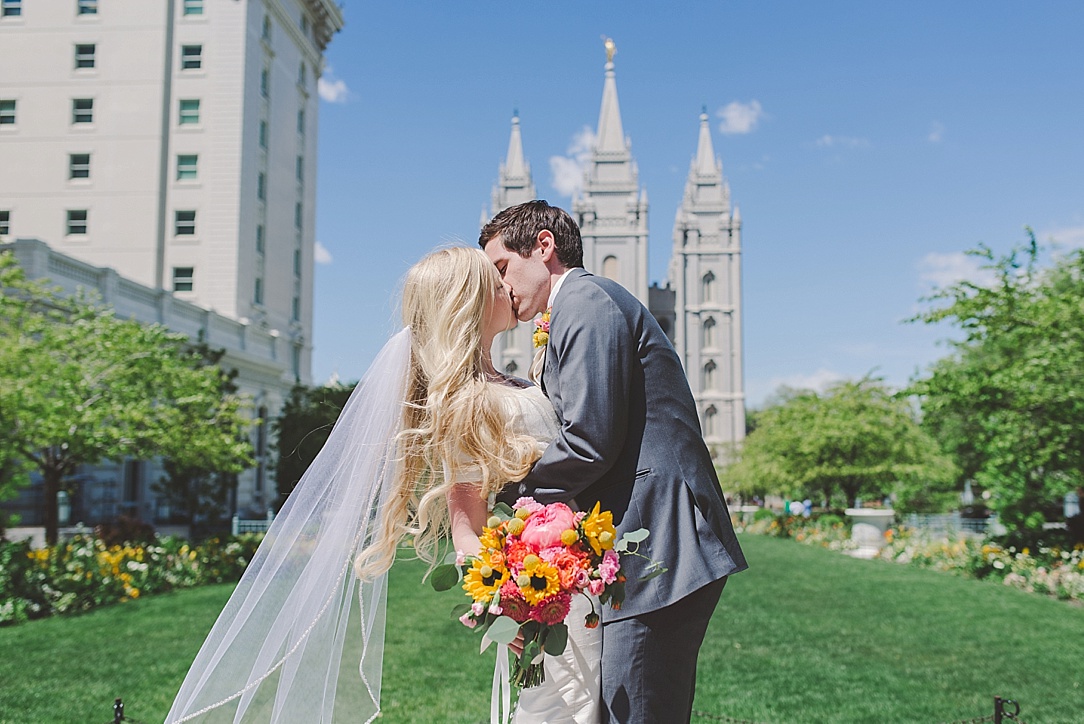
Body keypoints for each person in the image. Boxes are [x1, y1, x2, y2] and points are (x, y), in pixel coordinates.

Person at [165, 247, 599, 724]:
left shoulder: (517, 383)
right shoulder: (467, 403)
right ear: (469, 303)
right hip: (547, 589)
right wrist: (501, 600)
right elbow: (466, 523)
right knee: (566, 707)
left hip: (579, 568)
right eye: (496, 282)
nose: (508, 286)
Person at [480, 200, 748, 724]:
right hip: (644, 537)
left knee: (636, 706)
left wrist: (510, 501)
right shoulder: (576, 308)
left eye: (503, 267)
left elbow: (589, 440)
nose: (501, 286)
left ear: (543, 246)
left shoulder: (585, 301)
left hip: (662, 536)